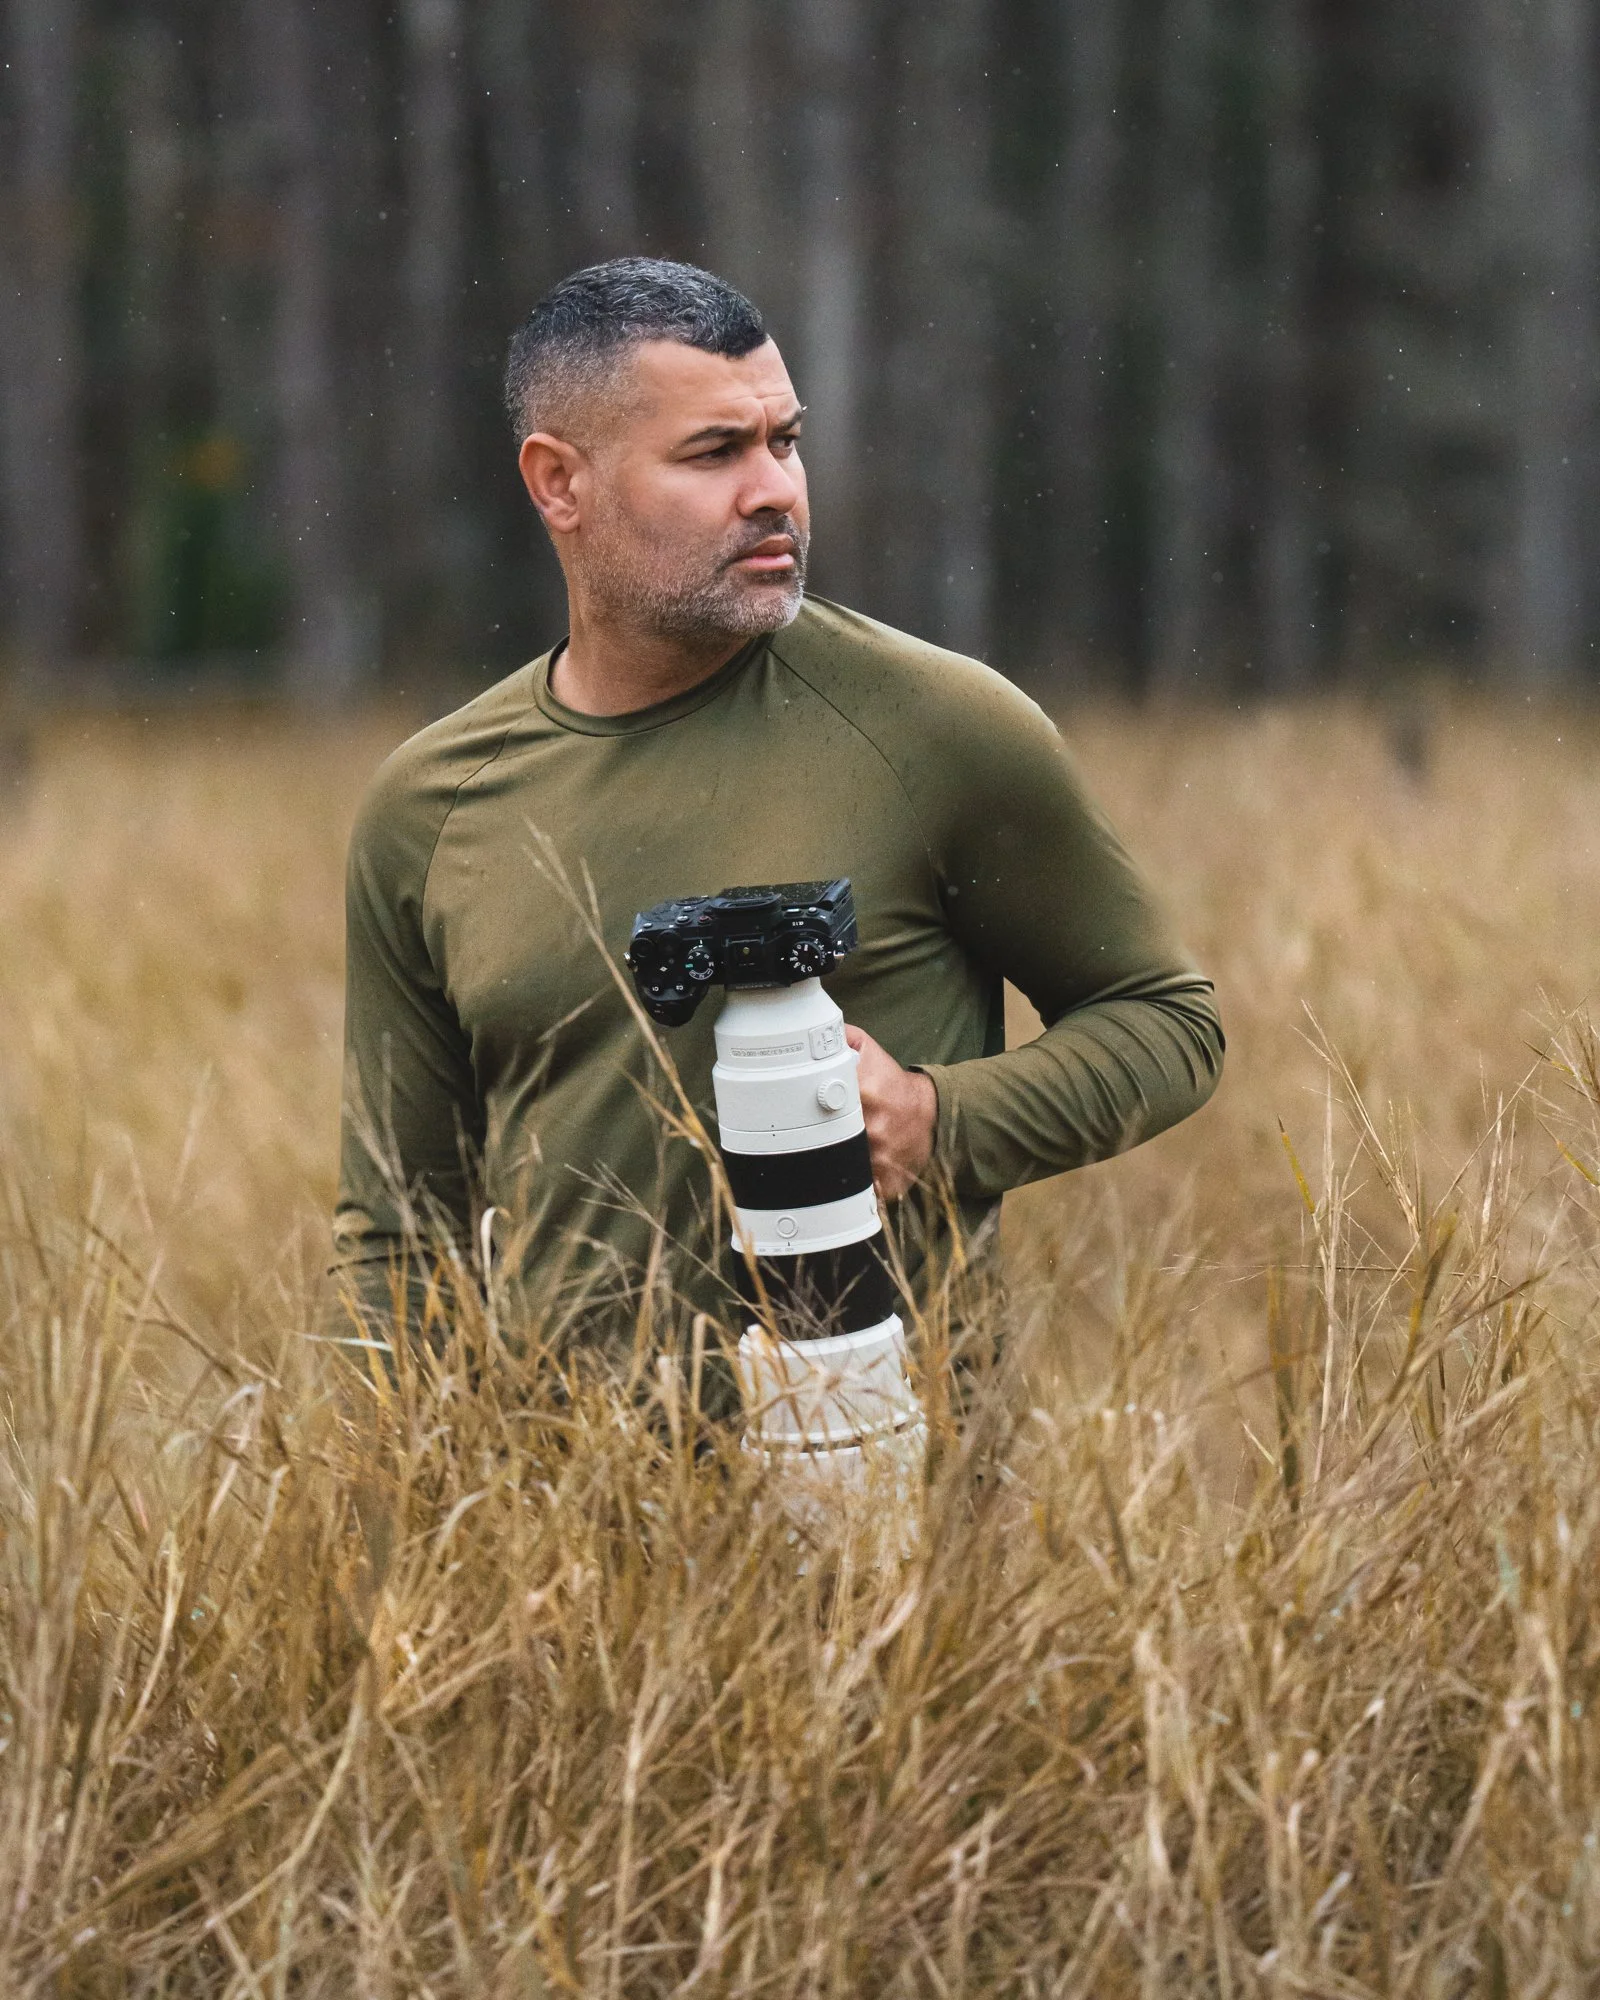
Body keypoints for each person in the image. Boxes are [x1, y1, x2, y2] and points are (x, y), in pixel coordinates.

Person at [334, 256, 1223, 1365]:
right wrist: (405, 1465)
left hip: (897, 1461)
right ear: (559, 483)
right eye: (714, 452)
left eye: (785, 441)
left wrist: (935, 1119)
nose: (775, 490)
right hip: (560, 1474)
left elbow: (1167, 1023)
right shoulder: (431, 807)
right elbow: (399, 1228)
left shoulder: (938, 727)